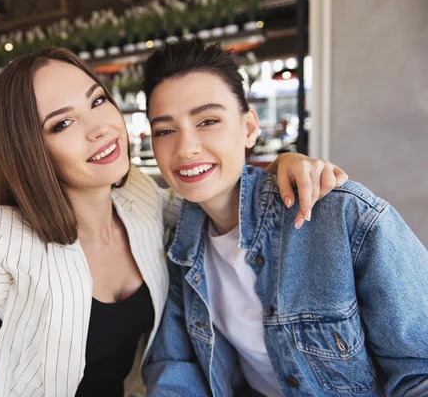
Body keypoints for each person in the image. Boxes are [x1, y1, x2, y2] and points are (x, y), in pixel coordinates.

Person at [0, 47, 345, 397]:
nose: (100, 127)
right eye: (63, 123)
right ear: (34, 151)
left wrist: (278, 166)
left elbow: (208, 188)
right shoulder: (3, 237)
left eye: (97, 100)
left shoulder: (141, 200)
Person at [141, 38, 428, 397]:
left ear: (249, 128)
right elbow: (176, 370)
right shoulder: (179, 247)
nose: (186, 148)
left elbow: (420, 370)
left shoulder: (341, 216)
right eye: (165, 130)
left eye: (208, 120)